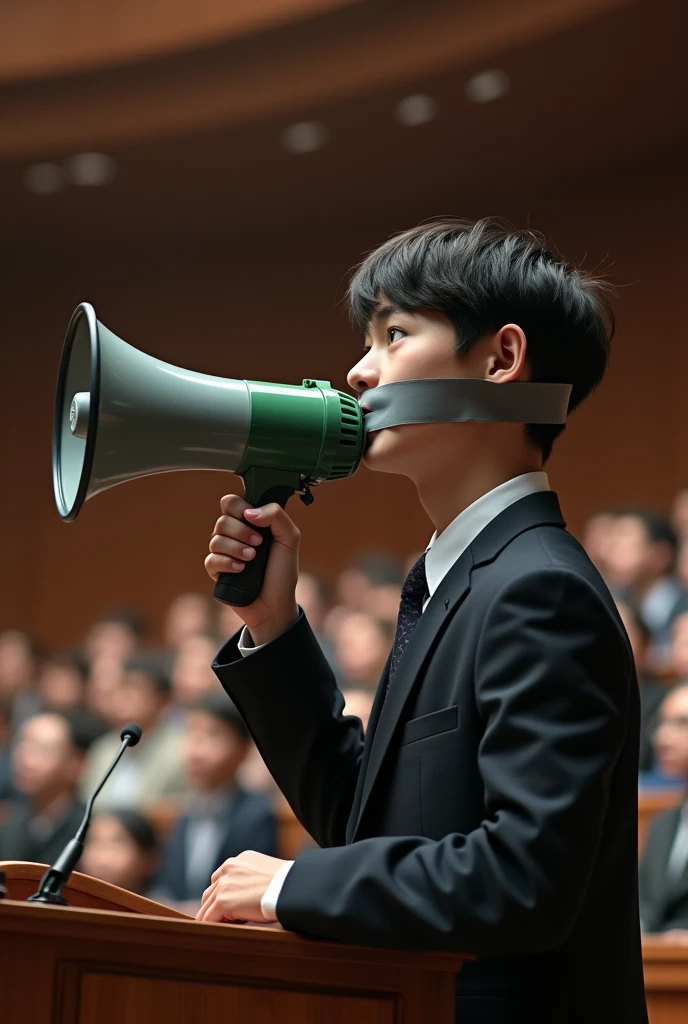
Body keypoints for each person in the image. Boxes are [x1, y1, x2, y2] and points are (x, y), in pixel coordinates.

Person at [199, 218, 646, 1023]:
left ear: (502, 360)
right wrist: (273, 627)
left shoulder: (541, 589)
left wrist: (291, 885)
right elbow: (361, 821)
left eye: (394, 334)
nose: (358, 371)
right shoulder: (454, 582)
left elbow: (526, 879)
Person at [153, 693, 276, 911]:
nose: (196, 751)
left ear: (245, 748)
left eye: (213, 735)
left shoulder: (258, 814)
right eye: (191, 734)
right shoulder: (183, 814)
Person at [80, 654, 187, 812]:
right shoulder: (101, 750)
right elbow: (87, 808)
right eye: (120, 690)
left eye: (134, 690)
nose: (124, 699)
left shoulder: (182, 749)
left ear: (163, 700)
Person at [0, 710, 94, 864]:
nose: (27, 760)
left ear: (75, 763)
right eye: (22, 745)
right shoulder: (10, 826)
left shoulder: (90, 832)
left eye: (43, 750)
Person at [605, 510, 688, 676]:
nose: (610, 554)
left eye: (626, 545)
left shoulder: (684, 606)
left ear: (661, 555)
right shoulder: (617, 602)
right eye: (613, 545)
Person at [638, 682, 688, 937]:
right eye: (661, 723)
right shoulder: (661, 823)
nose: (662, 738)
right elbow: (645, 911)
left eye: (681, 723)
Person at [80, 809, 160, 897]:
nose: (102, 861)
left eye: (117, 844)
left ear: (148, 858)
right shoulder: (69, 905)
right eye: (92, 841)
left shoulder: (162, 909)